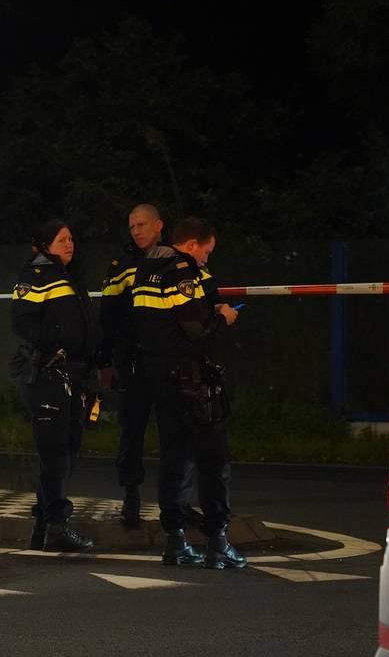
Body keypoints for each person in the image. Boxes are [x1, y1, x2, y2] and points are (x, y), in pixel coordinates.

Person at [131, 217, 245, 569]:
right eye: (207, 252)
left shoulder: (145, 268)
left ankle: (176, 539)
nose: (206, 260)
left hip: (158, 380)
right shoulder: (181, 272)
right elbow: (196, 330)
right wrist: (223, 317)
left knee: (174, 458)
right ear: (193, 244)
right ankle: (218, 540)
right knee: (213, 460)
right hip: (190, 381)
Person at [11, 219, 95, 553]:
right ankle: (55, 525)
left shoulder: (69, 277)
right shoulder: (36, 276)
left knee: (65, 451)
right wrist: (55, 346)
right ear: (45, 245)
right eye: (62, 240)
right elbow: (21, 322)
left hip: (73, 376)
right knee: (54, 454)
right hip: (48, 377)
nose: (70, 244)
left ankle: (46, 524)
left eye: (72, 238)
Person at [97, 204, 163, 526]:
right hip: (133, 362)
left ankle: (175, 498)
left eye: (142, 224)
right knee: (132, 430)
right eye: (131, 225)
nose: (136, 230)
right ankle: (131, 496)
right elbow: (107, 318)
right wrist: (105, 361)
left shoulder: (174, 260)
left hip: (168, 363)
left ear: (159, 226)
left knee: (176, 434)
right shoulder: (121, 266)